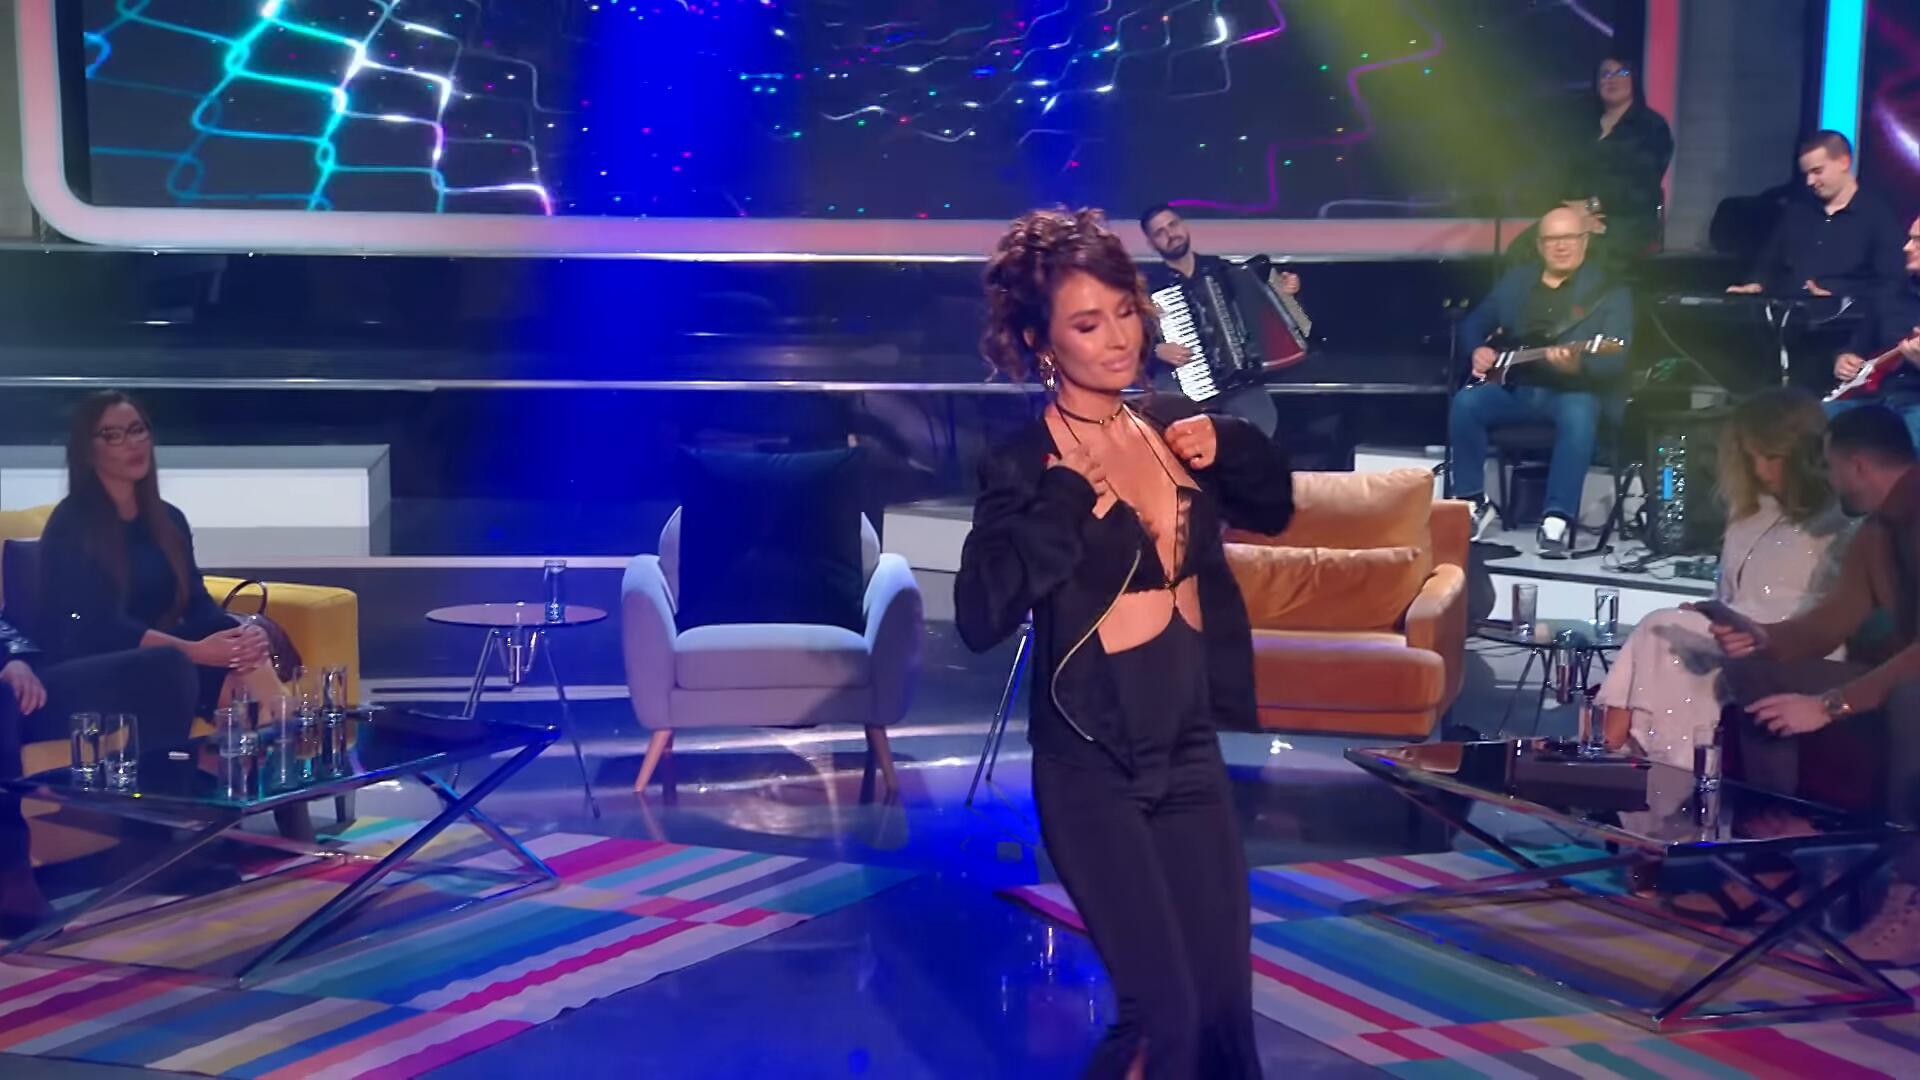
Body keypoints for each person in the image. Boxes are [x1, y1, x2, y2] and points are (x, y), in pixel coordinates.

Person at [957, 208, 1292, 1077]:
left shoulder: (1173, 424)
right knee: (1164, 1015)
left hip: (1190, 754)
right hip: (1092, 765)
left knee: (1222, 1014)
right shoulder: (1025, 462)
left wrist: (1232, 443)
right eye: (1086, 323)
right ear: (1040, 342)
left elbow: (1274, 508)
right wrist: (1065, 500)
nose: (1117, 339)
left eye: (1124, 312)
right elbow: (980, 614)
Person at [35, 392, 310, 839]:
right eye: (113, 435)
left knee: (242, 664)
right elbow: (98, 626)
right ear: (88, 449)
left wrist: (240, 635)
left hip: (165, 664)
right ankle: (223, 825)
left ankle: (263, 814)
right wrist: (194, 651)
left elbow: (197, 603)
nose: (131, 443)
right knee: (175, 665)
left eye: (137, 429)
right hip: (84, 670)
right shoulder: (72, 525)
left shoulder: (167, 520)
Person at [1704, 404, 1920, 963]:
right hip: (1903, 674)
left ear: (1857, 465)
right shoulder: (1878, 530)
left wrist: (1830, 705)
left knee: (1910, 697)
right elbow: (1833, 621)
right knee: (1754, 670)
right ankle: (1785, 862)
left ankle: (1909, 897)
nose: (1827, 479)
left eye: (1830, 467)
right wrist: (1762, 638)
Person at [1597, 389, 1848, 766]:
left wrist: (1746, 625)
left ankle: (1625, 753)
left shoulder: (1838, 520)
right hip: (1732, 635)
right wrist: (1711, 612)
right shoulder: (1749, 515)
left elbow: (1830, 612)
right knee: (1666, 632)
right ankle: (1635, 756)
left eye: (1772, 458)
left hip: (1793, 643)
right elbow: (1731, 594)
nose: (1761, 471)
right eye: (1751, 457)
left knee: (1659, 628)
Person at [1448, 206, 1633, 556]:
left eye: (1569, 238)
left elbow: (1617, 358)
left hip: (1572, 393)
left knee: (1579, 412)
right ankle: (1471, 502)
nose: (1561, 246)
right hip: (1517, 390)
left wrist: (1577, 367)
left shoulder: (1610, 292)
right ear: (1539, 244)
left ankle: (1556, 518)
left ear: (1584, 241)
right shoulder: (1517, 281)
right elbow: (1473, 324)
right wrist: (1478, 350)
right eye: (1552, 239)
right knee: (1467, 402)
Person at [1, 614, 199, 934]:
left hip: (24, 675)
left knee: (164, 667)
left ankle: (152, 847)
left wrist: (13, 657)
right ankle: (12, 882)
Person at [1138, 203, 1309, 439]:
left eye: (1173, 225)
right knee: (1170, 423)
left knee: (1262, 422)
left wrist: (1283, 290)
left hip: (1236, 377)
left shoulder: (1222, 269)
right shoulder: (1146, 286)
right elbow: (1129, 338)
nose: (1170, 234)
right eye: (1160, 232)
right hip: (1180, 375)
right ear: (1151, 243)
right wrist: (1156, 350)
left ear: (1183, 226)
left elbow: (1262, 300)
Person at [1727, 131, 1905, 299]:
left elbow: (1889, 283)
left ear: (1844, 162)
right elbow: (1770, 262)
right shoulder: (1797, 211)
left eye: (1817, 171)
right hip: (1789, 313)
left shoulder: (1878, 217)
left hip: (1845, 317)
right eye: (1806, 174)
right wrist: (1756, 284)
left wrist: (1838, 297)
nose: (1810, 181)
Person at [1559, 55, 1674, 267]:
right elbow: (1564, 173)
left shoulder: (1651, 126)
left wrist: (1591, 206)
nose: (1611, 79)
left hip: (1627, 220)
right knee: (1526, 246)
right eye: (1605, 74)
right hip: (1577, 216)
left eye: (1621, 72)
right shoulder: (1583, 125)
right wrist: (1572, 210)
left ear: (1634, 79)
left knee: (1591, 253)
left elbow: (1641, 188)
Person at [1829, 215, 1920, 448]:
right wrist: (1845, 358)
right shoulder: (1891, 292)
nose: (1906, 247)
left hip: (1915, 403)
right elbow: (1858, 344)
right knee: (1814, 422)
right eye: (1909, 239)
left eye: (1918, 241)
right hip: (1874, 399)